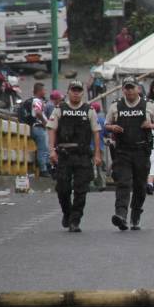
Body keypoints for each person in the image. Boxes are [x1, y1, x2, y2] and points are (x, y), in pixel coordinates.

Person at [104, 77, 154, 230]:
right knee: (123, 183)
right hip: (122, 151)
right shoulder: (115, 106)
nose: (129, 90)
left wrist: (150, 124)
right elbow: (106, 125)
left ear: (138, 89)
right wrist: (113, 128)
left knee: (140, 186)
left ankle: (135, 214)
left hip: (141, 151)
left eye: (132, 87)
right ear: (123, 90)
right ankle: (121, 215)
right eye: (127, 88)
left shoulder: (148, 105)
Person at [47, 80, 102, 232]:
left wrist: (97, 153)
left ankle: (75, 220)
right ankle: (67, 212)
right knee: (62, 188)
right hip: (64, 155)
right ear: (68, 92)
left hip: (82, 155)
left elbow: (96, 132)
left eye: (79, 90)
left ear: (82, 93)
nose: (76, 93)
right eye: (73, 90)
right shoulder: (60, 109)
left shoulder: (89, 110)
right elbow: (51, 129)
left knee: (81, 190)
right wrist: (51, 150)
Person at [29, 82, 51, 176]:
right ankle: (43, 170)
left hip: (37, 127)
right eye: (44, 90)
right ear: (39, 91)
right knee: (43, 149)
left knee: (44, 148)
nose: (45, 91)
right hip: (38, 127)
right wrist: (44, 122)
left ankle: (45, 167)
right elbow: (38, 112)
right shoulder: (37, 101)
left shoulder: (38, 100)